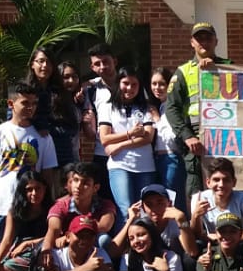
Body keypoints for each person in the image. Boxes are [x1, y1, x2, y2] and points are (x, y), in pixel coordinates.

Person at [0, 83, 58, 271]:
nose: (30, 107)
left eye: (34, 103)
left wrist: (49, 207)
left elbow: (47, 175)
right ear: (11, 104)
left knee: (24, 261)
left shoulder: (43, 137)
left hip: (28, 211)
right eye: (25, 103)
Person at [163, 21, 234, 200]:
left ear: (216, 41)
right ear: (192, 42)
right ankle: (198, 219)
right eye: (199, 38)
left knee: (228, 183)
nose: (204, 42)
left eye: (208, 38)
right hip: (196, 139)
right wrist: (187, 136)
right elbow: (171, 108)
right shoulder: (183, 72)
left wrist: (217, 70)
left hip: (228, 136)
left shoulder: (230, 67)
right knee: (196, 190)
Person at [98, 65, 157, 226]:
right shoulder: (107, 107)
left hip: (145, 166)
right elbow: (105, 138)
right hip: (119, 166)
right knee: (125, 210)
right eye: (126, 83)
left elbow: (148, 137)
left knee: (144, 211)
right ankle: (123, 242)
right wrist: (131, 133)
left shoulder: (145, 108)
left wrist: (120, 146)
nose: (130, 88)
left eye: (134, 84)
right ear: (118, 83)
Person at [23, 48, 80, 179]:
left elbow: (72, 124)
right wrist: (40, 128)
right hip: (32, 151)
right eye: (41, 61)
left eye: (49, 62)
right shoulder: (23, 91)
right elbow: (16, 120)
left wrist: (52, 132)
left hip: (61, 153)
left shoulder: (60, 91)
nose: (45, 66)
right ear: (32, 64)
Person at [42, 162, 118, 257]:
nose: (78, 186)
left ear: (95, 188)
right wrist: (46, 253)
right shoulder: (61, 206)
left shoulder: (105, 205)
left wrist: (70, 236)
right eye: (75, 180)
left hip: (93, 250)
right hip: (67, 251)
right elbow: (53, 230)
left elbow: (104, 226)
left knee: (103, 239)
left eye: (85, 183)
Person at [80, 42, 120, 202]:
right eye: (97, 64)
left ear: (114, 61)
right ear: (92, 67)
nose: (102, 67)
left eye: (106, 61)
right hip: (102, 154)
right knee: (104, 201)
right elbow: (90, 133)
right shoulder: (90, 90)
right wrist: (87, 123)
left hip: (130, 154)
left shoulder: (129, 84)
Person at [191, 157, 243, 247]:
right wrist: (195, 216)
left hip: (237, 243)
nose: (221, 185)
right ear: (208, 182)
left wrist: (220, 237)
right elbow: (195, 235)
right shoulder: (199, 198)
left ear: (234, 182)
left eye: (226, 180)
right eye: (216, 180)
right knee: (196, 245)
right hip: (212, 244)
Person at [47, 214, 116, 271]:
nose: (85, 240)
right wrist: (85, 268)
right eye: (80, 235)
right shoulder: (58, 255)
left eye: (89, 236)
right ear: (68, 236)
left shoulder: (99, 253)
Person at [148, 66, 183, 208]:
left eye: (162, 84)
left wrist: (157, 119)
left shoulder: (172, 106)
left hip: (171, 157)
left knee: (172, 200)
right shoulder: (162, 105)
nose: (157, 88)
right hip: (159, 158)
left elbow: (171, 138)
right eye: (154, 84)